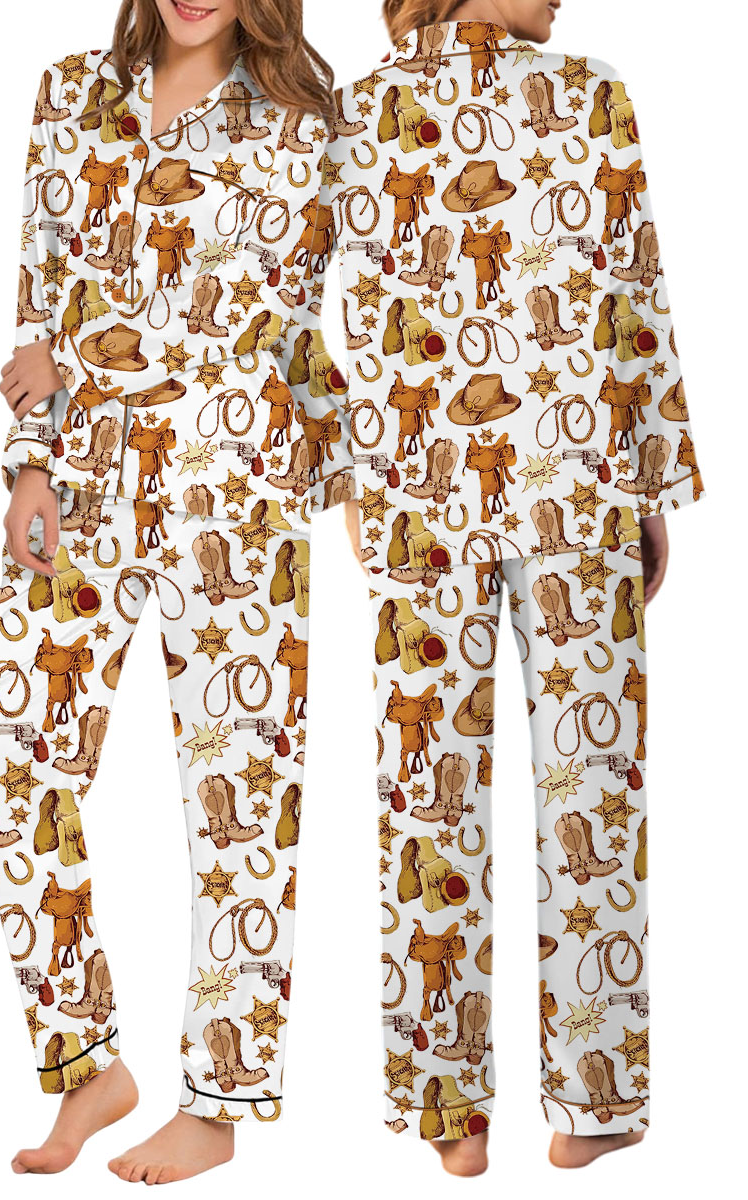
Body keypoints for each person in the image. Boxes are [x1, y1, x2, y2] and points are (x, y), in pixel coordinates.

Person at [0, 0, 354, 1183]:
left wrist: (74, 360)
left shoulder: (310, 120)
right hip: (85, 488)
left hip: (243, 494)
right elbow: (41, 290)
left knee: (241, 809)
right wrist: (30, 459)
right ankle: (88, 1063)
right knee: (4, 772)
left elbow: (272, 333)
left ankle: (216, 1107)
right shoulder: (69, 92)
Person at [329, 0, 704, 1176]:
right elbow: (632, 298)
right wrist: (652, 481)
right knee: (592, 792)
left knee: (424, 798)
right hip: (576, 490)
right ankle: (592, 1104)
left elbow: (306, 309)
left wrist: (352, 479)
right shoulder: (590, 93)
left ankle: (450, 1112)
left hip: (420, 493)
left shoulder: (360, 109)